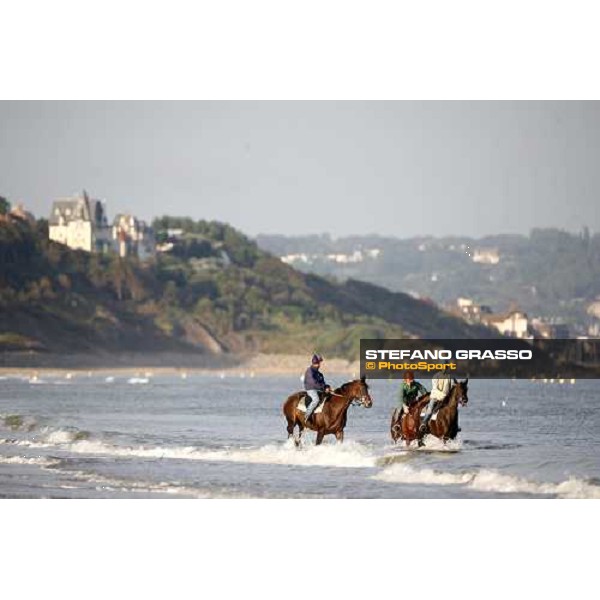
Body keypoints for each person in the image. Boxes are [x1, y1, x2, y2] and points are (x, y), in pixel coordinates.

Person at [418, 365, 452, 441]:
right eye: (443, 368)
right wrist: (442, 395)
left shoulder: (449, 377)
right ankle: (424, 423)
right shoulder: (435, 376)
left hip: (445, 397)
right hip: (435, 396)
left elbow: (450, 387)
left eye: (446, 368)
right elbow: (435, 388)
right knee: (430, 409)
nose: (445, 370)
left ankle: (453, 426)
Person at [303, 353, 331, 423]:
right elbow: (313, 383)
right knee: (316, 400)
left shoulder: (319, 374)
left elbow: (322, 383)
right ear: (315, 363)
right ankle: (306, 415)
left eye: (320, 363)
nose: (320, 365)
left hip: (319, 389)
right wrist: (323, 387)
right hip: (311, 389)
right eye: (319, 363)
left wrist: (327, 387)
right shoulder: (309, 371)